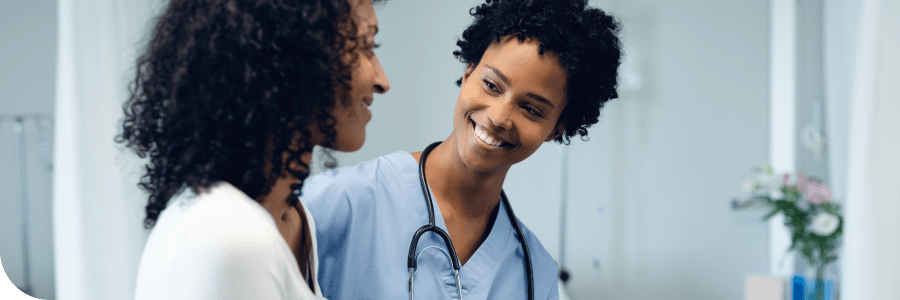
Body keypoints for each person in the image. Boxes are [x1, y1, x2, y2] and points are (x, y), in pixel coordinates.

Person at [300, 0, 623, 299]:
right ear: (468, 72)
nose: (498, 117)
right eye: (491, 85)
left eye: (532, 110)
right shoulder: (334, 204)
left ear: (556, 128)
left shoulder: (536, 275)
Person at [118, 0, 389, 299]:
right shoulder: (228, 236)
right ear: (295, 54)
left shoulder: (294, 220)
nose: (382, 81)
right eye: (366, 46)